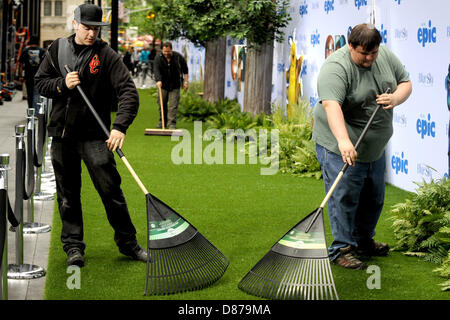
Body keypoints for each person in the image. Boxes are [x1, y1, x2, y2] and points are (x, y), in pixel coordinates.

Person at [34, 4, 147, 267]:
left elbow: (129, 92)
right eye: (87, 28)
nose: (92, 33)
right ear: (75, 24)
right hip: (63, 136)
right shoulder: (57, 50)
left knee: (111, 191)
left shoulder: (107, 56)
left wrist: (119, 127)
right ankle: (74, 247)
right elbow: (40, 82)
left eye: (96, 29)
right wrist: (62, 85)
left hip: (97, 136)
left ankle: (128, 243)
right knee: (67, 195)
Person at [312, 23, 412, 270]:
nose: (369, 59)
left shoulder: (385, 55)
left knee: (373, 197)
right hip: (340, 144)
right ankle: (341, 249)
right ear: (350, 46)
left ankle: (363, 242)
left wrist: (395, 98)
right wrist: (344, 141)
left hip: (373, 146)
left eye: (373, 53)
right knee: (345, 197)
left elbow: (405, 82)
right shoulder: (335, 67)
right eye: (363, 54)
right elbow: (331, 105)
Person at [153, 42, 189, 129]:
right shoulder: (158, 58)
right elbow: (156, 70)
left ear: (171, 50)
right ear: (162, 50)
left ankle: (172, 123)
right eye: (164, 52)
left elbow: (185, 70)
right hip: (163, 85)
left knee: (173, 105)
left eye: (168, 52)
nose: (166, 54)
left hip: (175, 85)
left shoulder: (178, 57)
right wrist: (158, 80)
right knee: (162, 104)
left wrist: (186, 82)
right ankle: (162, 121)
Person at [19, 36, 46, 113]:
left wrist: (20, 76)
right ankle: (36, 112)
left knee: (29, 95)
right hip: (39, 76)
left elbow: (20, 64)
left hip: (28, 76)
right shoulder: (42, 51)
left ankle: (31, 111)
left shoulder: (25, 50)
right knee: (37, 94)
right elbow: (45, 65)